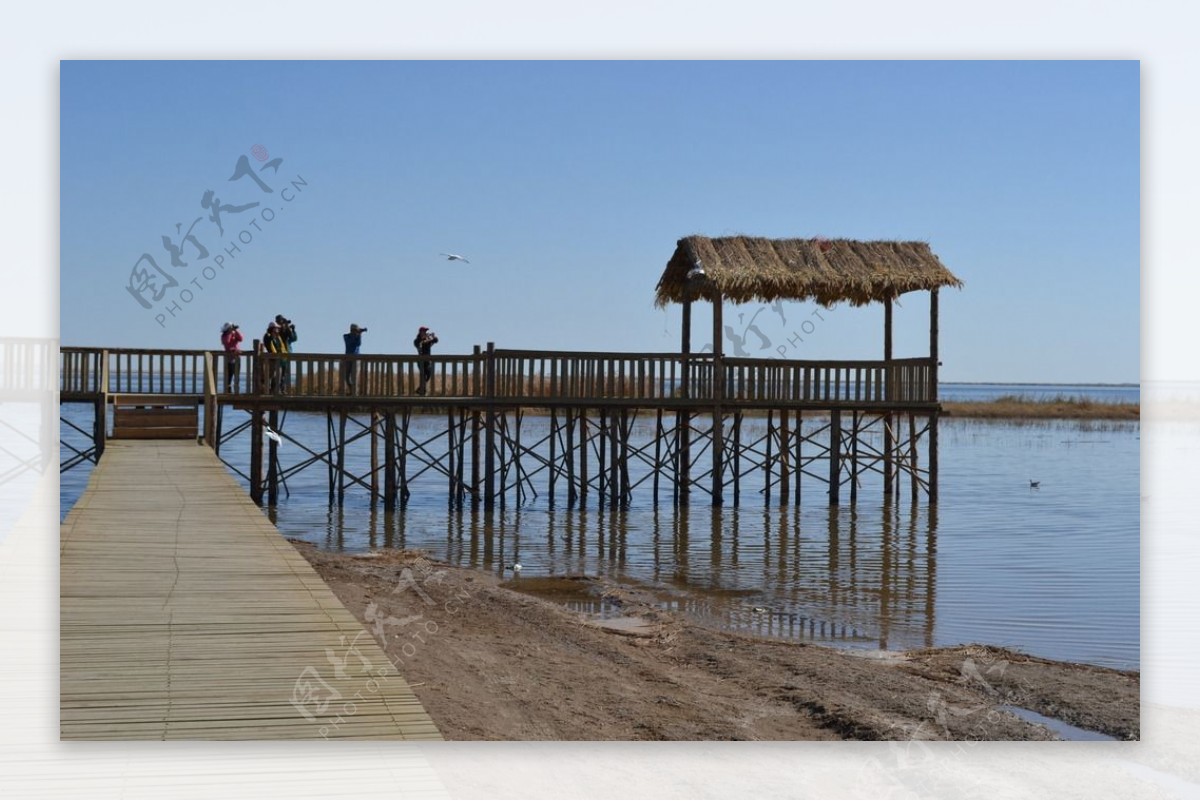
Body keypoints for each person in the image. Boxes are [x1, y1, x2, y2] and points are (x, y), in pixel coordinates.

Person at [274, 314, 298, 392]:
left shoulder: (285, 330)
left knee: (284, 371)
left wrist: (292, 330)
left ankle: (282, 388)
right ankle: (278, 388)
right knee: (279, 371)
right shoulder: (277, 330)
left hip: (286, 352)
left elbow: (293, 338)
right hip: (279, 352)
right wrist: (285, 328)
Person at [260, 320, 286, 393]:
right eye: (276, 328)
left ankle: (274, 391)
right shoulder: (267, 335)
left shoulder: (277, 337)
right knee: (270, 375)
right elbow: (268, 342)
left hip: (278, 359)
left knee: (277, 376)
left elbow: (280, 347)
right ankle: (266, 390)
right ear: (272, 328)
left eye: (278, 328)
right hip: (270, 359)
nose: (278, 330)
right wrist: (273, 335)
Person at [413, 326, 439, 395]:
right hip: (421, 361)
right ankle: (422, 391)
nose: (425, 332)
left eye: (426, 331)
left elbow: (436, 340)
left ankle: (420, 389)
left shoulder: (428, 340)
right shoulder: (417, 340)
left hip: (427, 361)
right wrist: (427, 339)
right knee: (423, 376)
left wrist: (433, 337)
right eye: (424, 331)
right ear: (420, 332)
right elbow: (419, 344)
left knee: (428, 375)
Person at [342, 323, 366, 394]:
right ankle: (351, 389)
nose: (355, 331)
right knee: (346, 377)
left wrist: (359, 335)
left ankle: (354, 393)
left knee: (354, 376)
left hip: (356, 359)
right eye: (354, 330)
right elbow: (350, 343)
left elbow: (358, 344)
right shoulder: (346, 336)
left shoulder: (357, 337)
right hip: (348, 358)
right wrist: (356, 334)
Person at [219, 322, 243, 393]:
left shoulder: (234, 333)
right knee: (229, 375)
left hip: (237, 357)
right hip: (229, 358)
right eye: (230, 328)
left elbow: (241, 338)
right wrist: (230, 333)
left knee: (237, 375)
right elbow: (227, 341)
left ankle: (236, 390)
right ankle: (228, 390)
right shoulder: (224, 336)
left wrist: (235, 331)